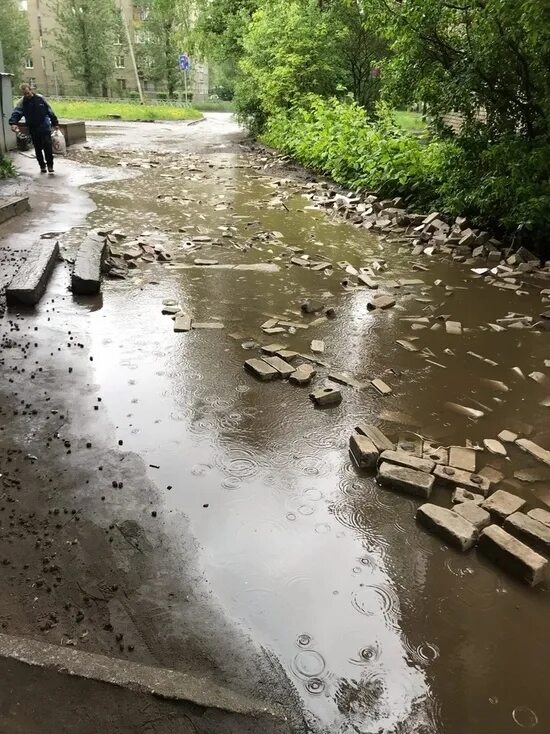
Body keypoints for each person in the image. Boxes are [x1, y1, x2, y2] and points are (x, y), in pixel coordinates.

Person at [9, 84, 60, 175]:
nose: (27, 95)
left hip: (44, 127)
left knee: (47, 147)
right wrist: (13, 123)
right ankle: (42, 166)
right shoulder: (22, 102)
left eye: (28, 93)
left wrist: (55, 122)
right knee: (38, 148)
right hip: (33, 128)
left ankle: (50, 166)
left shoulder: (40, 98)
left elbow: (49, 110)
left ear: (31, 90)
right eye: (25, 94)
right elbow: (16, 113)